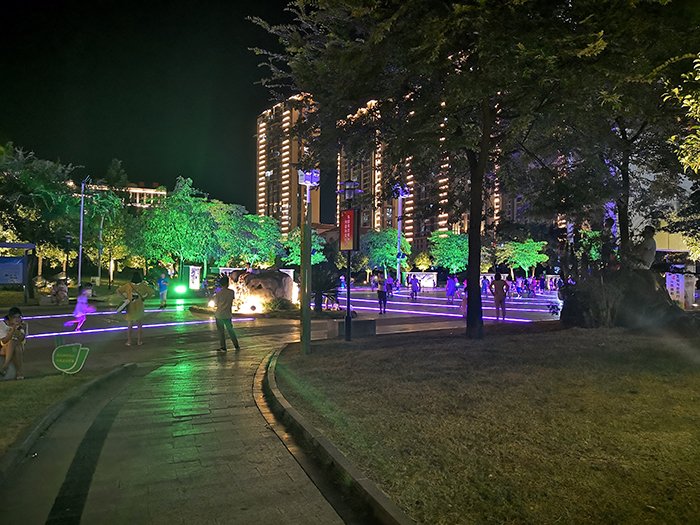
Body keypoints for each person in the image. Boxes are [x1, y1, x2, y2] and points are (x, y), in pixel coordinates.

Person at [116, 272, 154, 346]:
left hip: (130, 307)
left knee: (130, 325)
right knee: (139, 325)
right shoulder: (143, 286)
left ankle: (129, 341)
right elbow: (152, 292)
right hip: (139, 307)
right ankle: (139, 341)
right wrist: (145, 298)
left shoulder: (128, 285)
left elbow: (118, 290)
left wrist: (125, 298)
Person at [214, 275, 240, 352]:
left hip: (219, 315)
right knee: (230, 330)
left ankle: (223, 347)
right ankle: (236, 345)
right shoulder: (231, 292)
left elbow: (216, 304)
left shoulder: (218, 294)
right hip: (228, 315)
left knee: (221, 332)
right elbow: (232, 300)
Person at [0, 307, 26, 379]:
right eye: (14, 317)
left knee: (17, 346)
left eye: (19, 317)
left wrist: (23, 331)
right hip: (4, 348)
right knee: (12, 342)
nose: (17, 319)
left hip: (19, 346)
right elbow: (4, 341)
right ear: (10, 317)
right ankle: (20, 372)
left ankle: (5, 367)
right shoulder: (2, 324)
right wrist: (12, 330)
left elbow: (21, 340)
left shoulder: (23, 325)